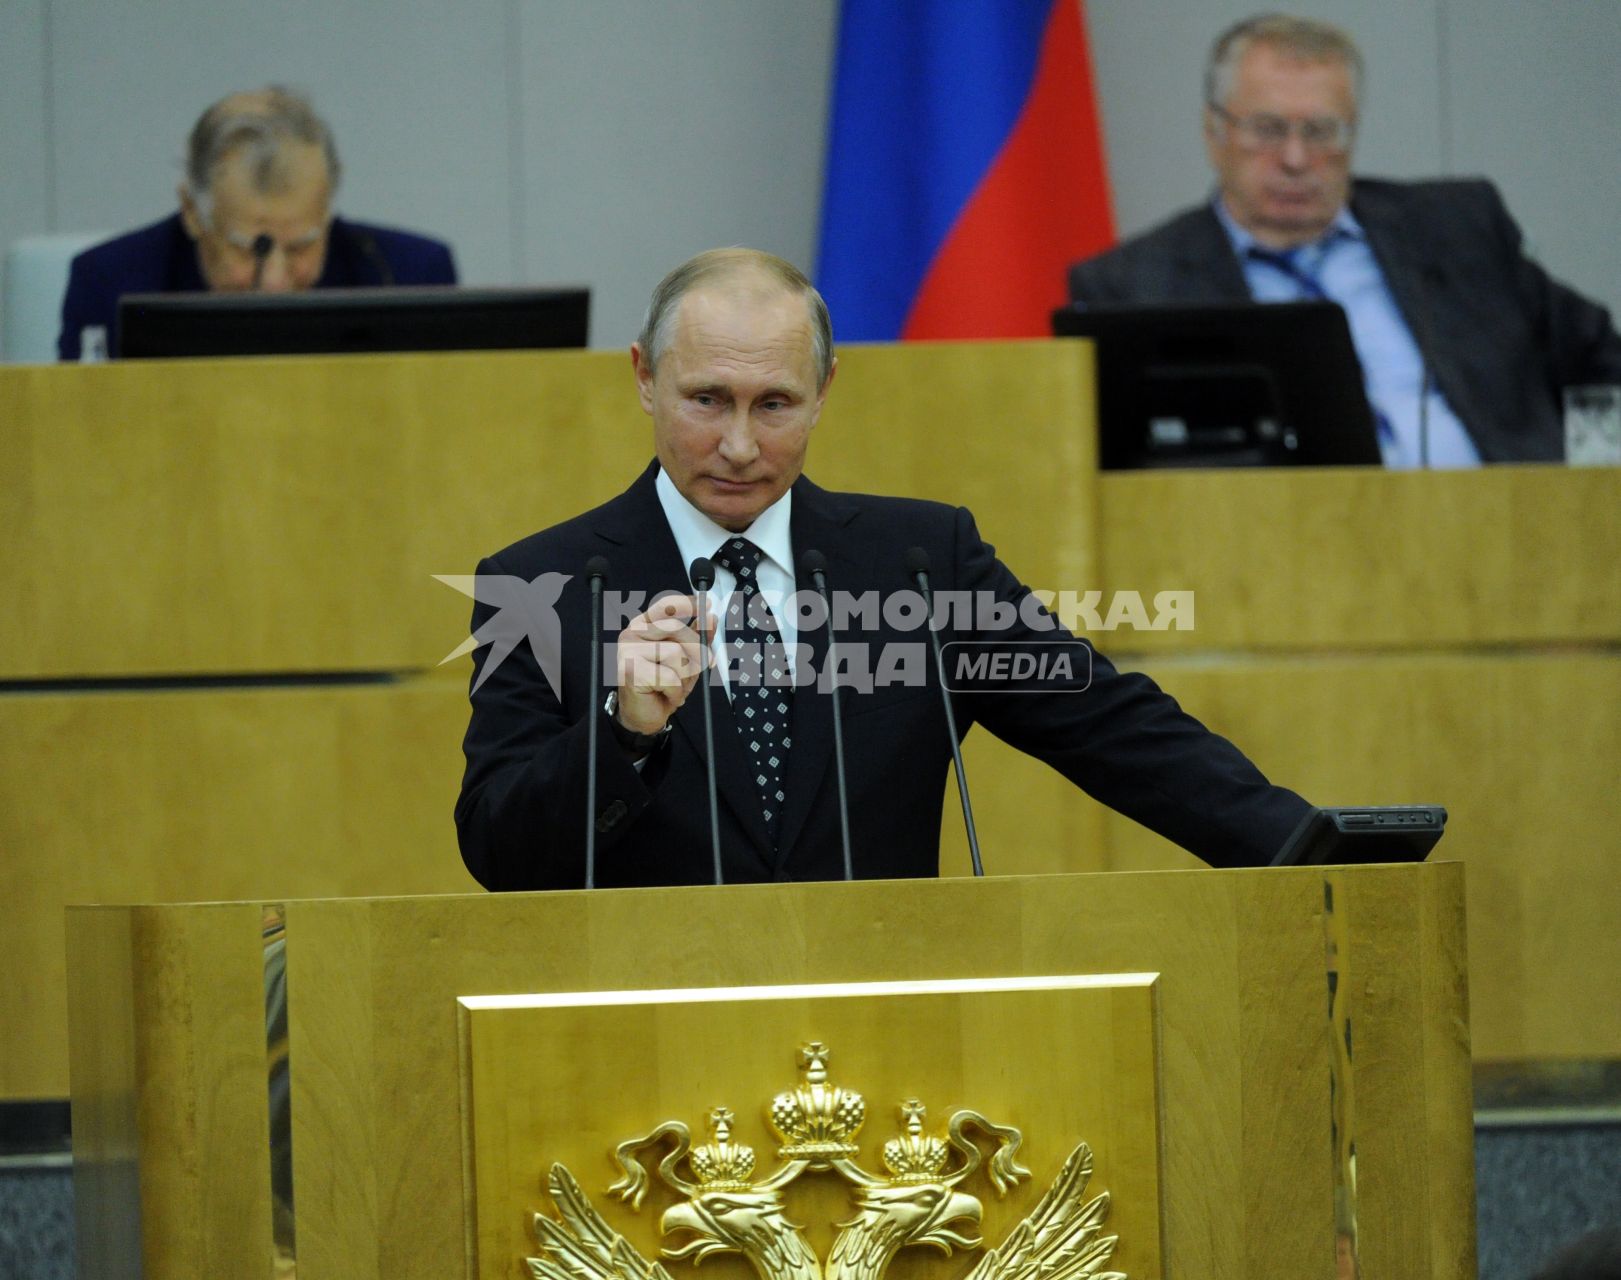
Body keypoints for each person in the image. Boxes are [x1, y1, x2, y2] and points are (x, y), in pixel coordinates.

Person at [454, 247, 1311, 891]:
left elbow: (1116, 729)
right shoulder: (542, 587)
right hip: (648, 1049)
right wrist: (621, 731)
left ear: (825, 390)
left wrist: (1311, 848)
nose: (740, 445)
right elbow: (499, 850)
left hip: (891, 1034)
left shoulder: (920, 566)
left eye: (776, 404)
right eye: (706, 400)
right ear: (645, 379)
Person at [1067, 13, 1621, 467]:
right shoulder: (1135, 285)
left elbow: (1601, 361)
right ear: (1215, 133)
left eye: (1321, 132)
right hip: (1283, 566)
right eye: (1266, 129)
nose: (1295, 158)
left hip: (1518, 545)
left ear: (1352, 131)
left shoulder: (1455, 229)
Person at [57, 86, 457, 361]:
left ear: (327, 207)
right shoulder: (109, 284)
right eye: (251, 249)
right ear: (192, 212)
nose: (276, 283)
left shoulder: (409, 275)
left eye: (302, 245)